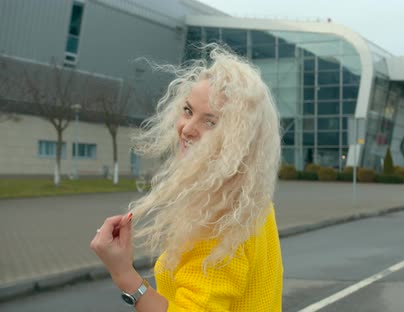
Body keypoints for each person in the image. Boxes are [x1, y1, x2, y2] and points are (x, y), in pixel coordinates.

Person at [90, 45, 283, 311]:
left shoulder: (220, 216)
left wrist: (124, 274)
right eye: (188, 111)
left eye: (211, 122)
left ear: (241, 139)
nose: (188, 129)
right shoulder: (250, 199)